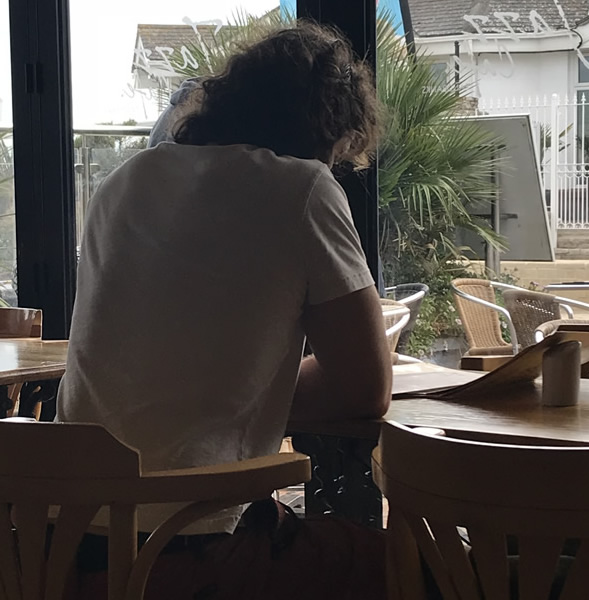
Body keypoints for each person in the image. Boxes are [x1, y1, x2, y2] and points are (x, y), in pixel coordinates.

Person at [57, 20, 391, 599]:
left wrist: (218, 396)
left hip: (60, 551)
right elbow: (366, 389)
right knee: (420, 566)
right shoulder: (301, 188)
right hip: (184, 552)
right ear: (329, 133)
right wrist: (244, 397)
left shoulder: (123, 181)